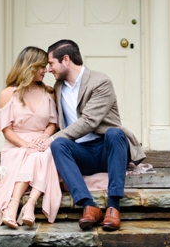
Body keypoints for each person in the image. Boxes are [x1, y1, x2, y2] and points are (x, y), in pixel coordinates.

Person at [46, 39, 145, 233]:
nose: (49, 69)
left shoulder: (100, 81)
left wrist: (50, 138)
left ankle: (113, 206)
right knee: (58, 146)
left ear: (66, 59)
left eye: (51, 63)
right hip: (82, 153)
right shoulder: (58, 87)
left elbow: (89, 121)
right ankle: (88, 206)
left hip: (108, 151)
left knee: (116, 133)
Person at [0, 46, 61, 228]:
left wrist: (44, 139)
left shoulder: (48, 92)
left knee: (44, 153)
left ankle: (26, 204)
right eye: (42, 66)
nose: (46, 70)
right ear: (29, 66)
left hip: (42, 142)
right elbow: (7, 130)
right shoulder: (8, 93)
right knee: (37, 155)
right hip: (16, 145)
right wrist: (26, 145)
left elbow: (52, 124)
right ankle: (18, 204)